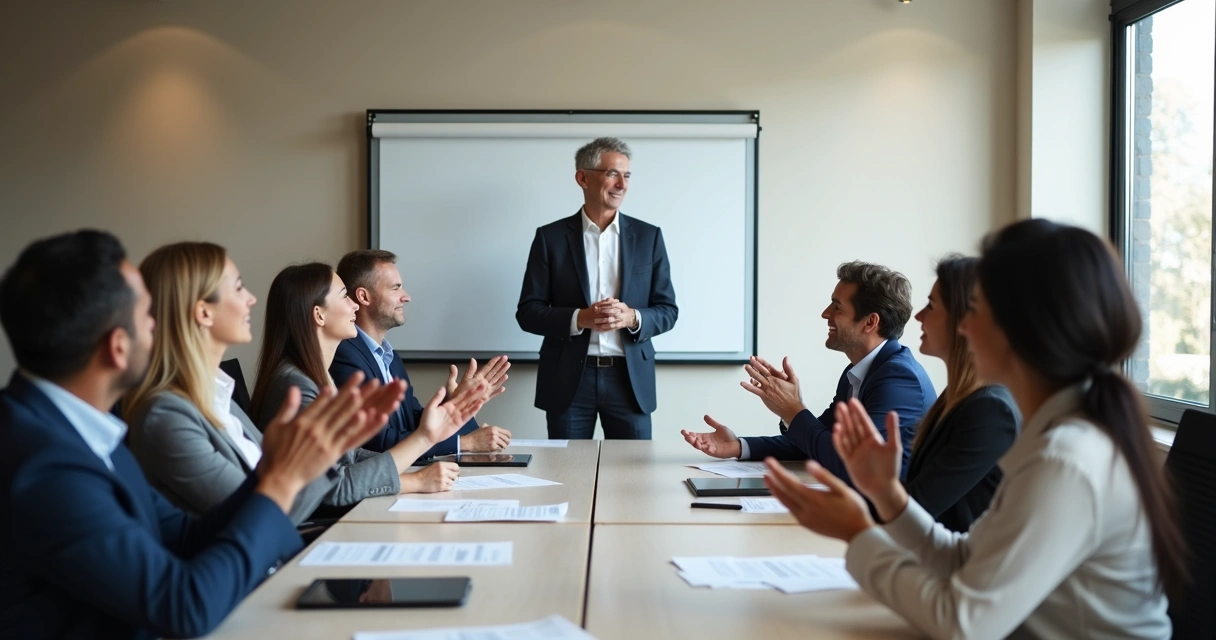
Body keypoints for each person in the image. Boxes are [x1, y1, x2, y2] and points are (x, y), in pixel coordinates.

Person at [0, 230, 485, 638]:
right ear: (118, 345)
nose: (163, 324)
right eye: (149, 313)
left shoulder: (80, 432)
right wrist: (280, 481)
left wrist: (293, 471)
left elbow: (187, 533)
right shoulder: (44, 466)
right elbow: (182, 607)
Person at [763, 219, 1186, 639]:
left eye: (976, 311)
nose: (963, 327)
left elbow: (962, 624)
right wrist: (887, 494)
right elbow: (962, 557)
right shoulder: (1056, 435)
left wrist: (857, 534)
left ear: (1023, 328)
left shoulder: (1066, 459)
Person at [123, 242, 335, 523]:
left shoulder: (218, 396)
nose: (251, 299)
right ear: (204, 312)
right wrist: (324, 448)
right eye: (238, 288)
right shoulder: (166, 415)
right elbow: (259, 517)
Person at [251, 262, 487, 499]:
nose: (354, 304)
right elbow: (331, 488)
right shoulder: (298, 387)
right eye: (345, 296)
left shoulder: (315, 377)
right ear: (319, 314)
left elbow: (351, 456)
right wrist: (415, 479)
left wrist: (414, 466)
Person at [682, 261, 934, 483]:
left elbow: (850, 464)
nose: (825, 313)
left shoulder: (899, 379)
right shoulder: (859, 371)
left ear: (870, 322)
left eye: (837, 306)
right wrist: (738, 447)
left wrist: (792, 409)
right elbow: (816, 442)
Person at [516, 137, 679, 440]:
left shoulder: (649, 237)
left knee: (634, 480)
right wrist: (580, 318)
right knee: (567, 476)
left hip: (629, 381)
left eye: (627, 175)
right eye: (612, 174)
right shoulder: (549, 238)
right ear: (582, 177)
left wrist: (632, 317)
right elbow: (527, 312)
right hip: (568, 380)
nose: (622, 185)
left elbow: (668, 311)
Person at [331, 249, 512, 455]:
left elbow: (414, 420)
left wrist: (456, 404)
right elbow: (375, 440)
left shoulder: (389, 357)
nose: (406, 297)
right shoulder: (345, 355)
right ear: (364, 296)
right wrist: (464, 444)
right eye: (395, 288)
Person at [887, 254, 1019, 532]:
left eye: (931, 305)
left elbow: (916, 509)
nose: (919, 316)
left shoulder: (991, 411)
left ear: (964, 320)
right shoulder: (956, 398)